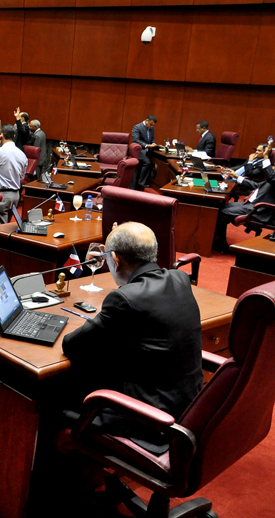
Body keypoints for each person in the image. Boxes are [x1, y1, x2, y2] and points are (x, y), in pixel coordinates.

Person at [62, 222, 203, 452]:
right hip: (187, 408)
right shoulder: (179, 279)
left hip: (149, 420)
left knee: (53, 392)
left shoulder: (125, 298)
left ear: (115, 260)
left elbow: (72, 345)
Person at [214, 160, 275, 251]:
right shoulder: (271, 180)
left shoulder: (273, 179)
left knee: (224, 212)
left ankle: (221, 244)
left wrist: (266, 158)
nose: (272, 167)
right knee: (221, 206)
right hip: (251, 203)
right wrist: (237, 176)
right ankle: (215, 238)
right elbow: (255, 185)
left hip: (259, 209)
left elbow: (271, 177)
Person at [130, 115, 158, 190]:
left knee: (153, 161)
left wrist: (153, 144)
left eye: (153, 125)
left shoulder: (152, 129)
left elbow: (152, 138)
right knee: (147, 162)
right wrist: (146, 145)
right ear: (146, 120)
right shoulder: (137, 127)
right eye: (150, 124)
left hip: (148, 151)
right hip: (139, 150)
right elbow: (136, 140)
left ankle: (144, 182)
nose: (151, 126)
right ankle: (141, 183)